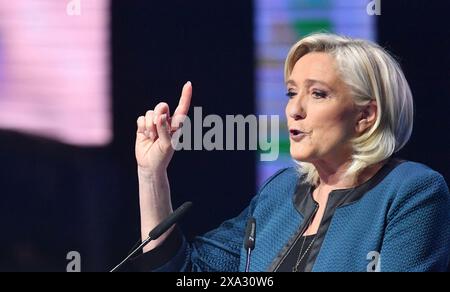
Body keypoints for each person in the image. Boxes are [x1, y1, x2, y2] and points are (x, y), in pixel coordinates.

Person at [131, 33, 450, 272]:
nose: (294, 109)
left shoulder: (412, 192)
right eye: (291, 92)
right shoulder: (281, 192)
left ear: (365, 116)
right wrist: (151, 175)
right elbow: (189, 273)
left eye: (318, 94)